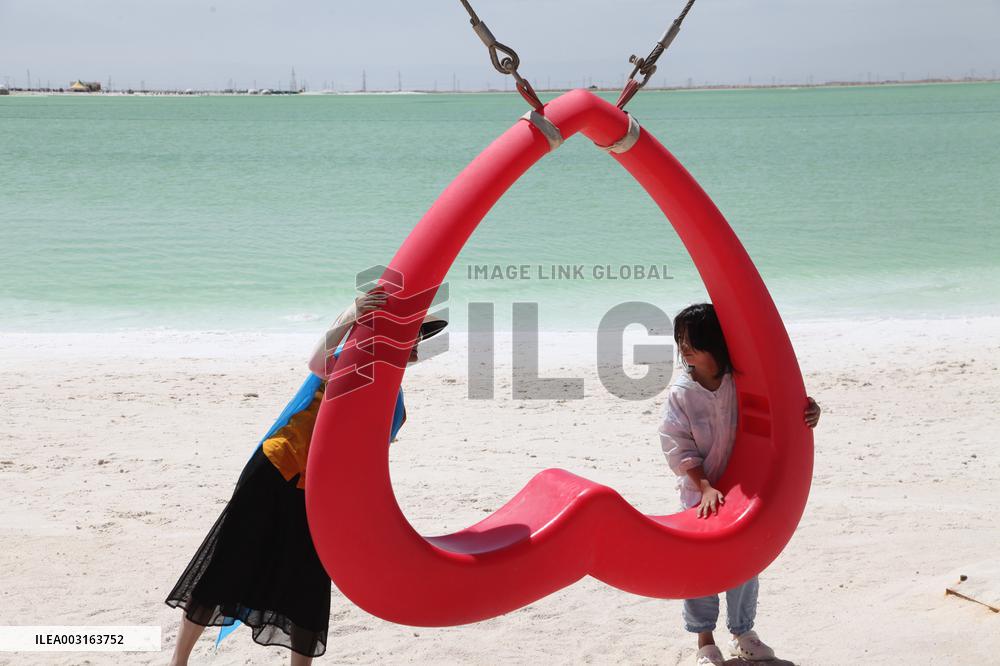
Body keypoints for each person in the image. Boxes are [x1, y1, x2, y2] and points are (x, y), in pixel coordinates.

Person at [165, 289, 446, 665]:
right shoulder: (355, 363)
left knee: (308, 586)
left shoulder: (396, 406)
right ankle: (178, 662)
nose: (417, 346)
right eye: (412, 334)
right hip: (275, 468)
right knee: (226, 565)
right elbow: (317, 362)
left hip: (318, 494)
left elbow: (366, 462)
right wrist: (350, 314)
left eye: (420, 338)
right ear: (388, 334)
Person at [658, 303, 820, 666]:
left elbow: (780, 406)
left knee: (746, 558)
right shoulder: (682, 393)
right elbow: (676, 445)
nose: (684, 348)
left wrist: (810, 411)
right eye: (680, 340)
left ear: (713, 341)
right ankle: (705, 642)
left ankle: (743, 633)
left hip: (743, 489)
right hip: (699, 492)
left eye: (692, 340)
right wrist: (704, 487)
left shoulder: (740, 380)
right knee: (700, 564)